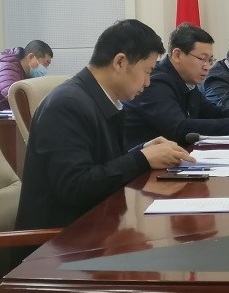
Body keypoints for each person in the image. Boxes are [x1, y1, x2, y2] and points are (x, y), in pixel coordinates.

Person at [14, 19, 193, 233]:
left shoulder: (98, 99)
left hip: (95, 226)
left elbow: (101, 164)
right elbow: (76, 188)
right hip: (58, 242)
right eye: (147, 71)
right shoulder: (66, 105)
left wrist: (144, 150)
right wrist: (142, 159)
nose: (148, 82)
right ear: (120, 62)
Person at [124, 23, 229, 145]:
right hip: (144, 169)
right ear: (177, 55)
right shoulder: (156, 82)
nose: (207, 67)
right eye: (202, 59)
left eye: (210, 60)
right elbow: (180, 128)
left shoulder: (185, 81)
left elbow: (213, 112)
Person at [0, 39, 54, 112]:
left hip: (4, 115)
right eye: (45, 64)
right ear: (30, 57)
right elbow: (15, 98)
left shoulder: (24, 73)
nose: (45, 69)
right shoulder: (6, 69)